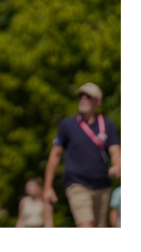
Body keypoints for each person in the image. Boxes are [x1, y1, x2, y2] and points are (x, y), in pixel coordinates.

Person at [43, 82, 121, 227]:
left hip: (102, 185)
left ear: (98, 101)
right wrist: (48, 186)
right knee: (86, 227)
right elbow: (55, 155)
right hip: (77, 184)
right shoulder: (67, 125)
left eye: (88, 96)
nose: (83, 99)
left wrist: (117, 165)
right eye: (80, 96)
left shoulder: (107, 124)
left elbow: (115, 150)